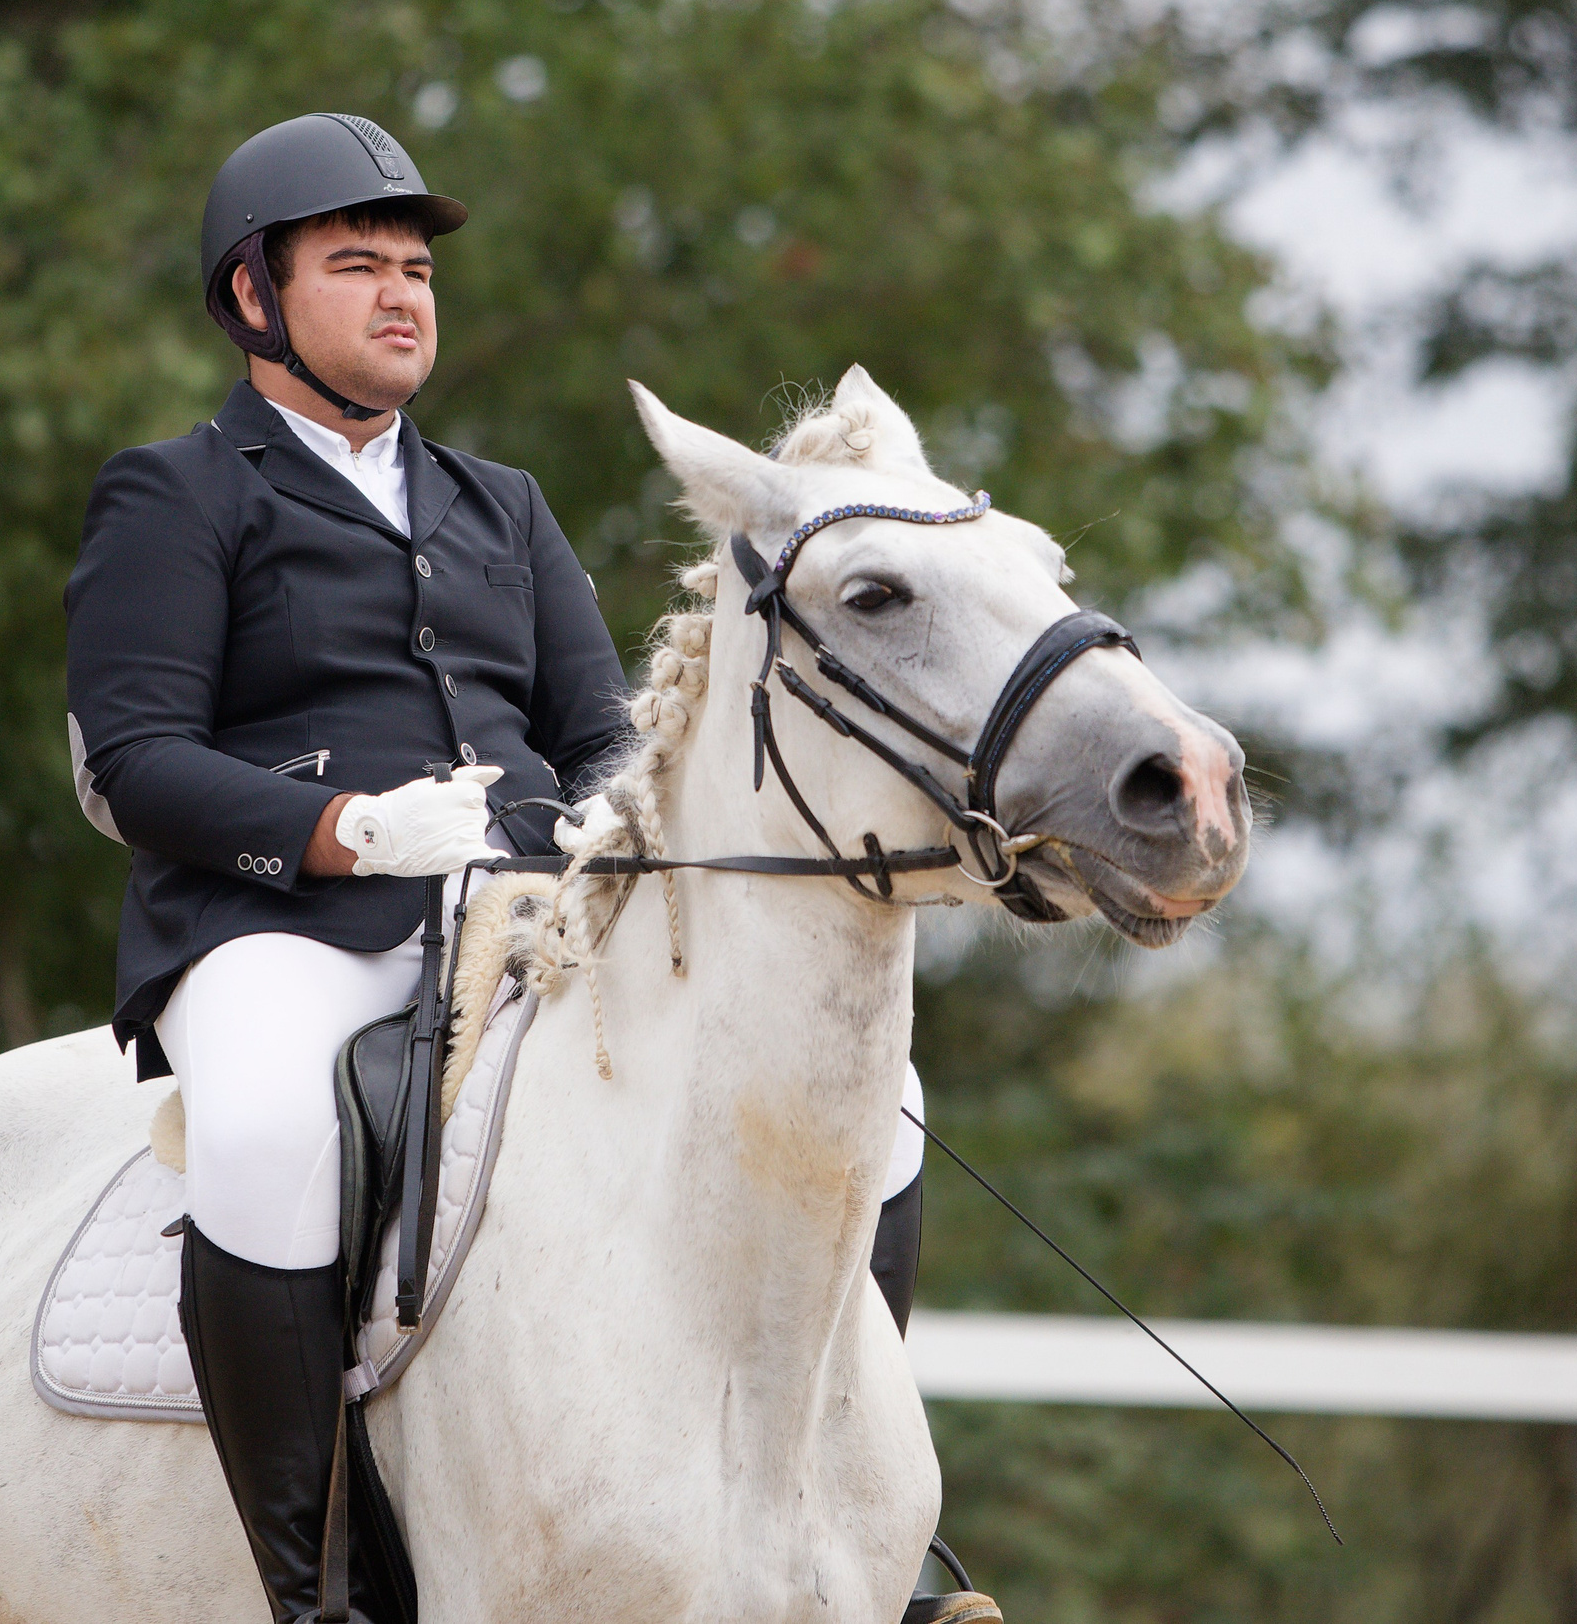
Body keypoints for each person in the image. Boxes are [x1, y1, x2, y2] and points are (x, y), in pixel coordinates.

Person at [63, 112, 980, 1624]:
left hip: (523, 915)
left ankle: (849, 1530)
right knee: (267, 1126)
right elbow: (133, 758)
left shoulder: (505, 503)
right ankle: (318, 1587)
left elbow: (605, 735)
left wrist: (597, 834)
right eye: (356, 265)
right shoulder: (177, 494)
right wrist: (343, 828)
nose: (403, 294)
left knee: (878, 1111)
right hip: (281, 923)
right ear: (250, 297)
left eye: (416, 269)